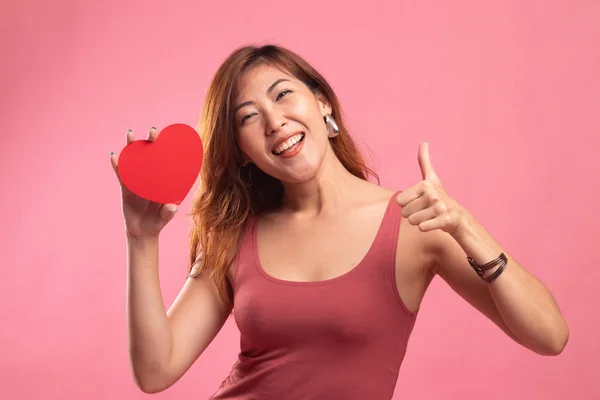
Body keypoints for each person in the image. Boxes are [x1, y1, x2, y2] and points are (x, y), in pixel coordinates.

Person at [110, 44, 569, 399]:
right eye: (248, 118)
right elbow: (155, 370)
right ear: (243, 153)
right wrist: (141, 238)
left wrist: (466, 228)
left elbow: (550, 336)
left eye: (283, 95)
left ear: (323, 103)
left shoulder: (416, 222)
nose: (274, 121)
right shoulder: (235, 236)